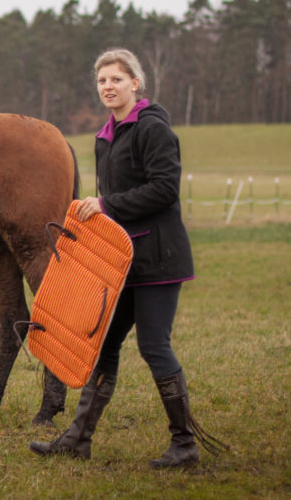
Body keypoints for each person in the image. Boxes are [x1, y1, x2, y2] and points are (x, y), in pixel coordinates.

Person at [30, 48, 224, 468]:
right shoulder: (106, 136)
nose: (108, 87)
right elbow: (111, 204)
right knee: (104, 348)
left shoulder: (152, 130)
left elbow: (164, 189)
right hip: (117, 263)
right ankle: (78, 439)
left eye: (116, 79)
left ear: (136, 84)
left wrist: (105, 203)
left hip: (157, 258)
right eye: (102, 81)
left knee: (155, 347)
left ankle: (185, 445)